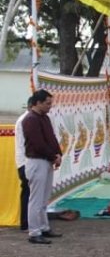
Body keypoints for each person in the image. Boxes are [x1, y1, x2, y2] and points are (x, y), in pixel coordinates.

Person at [22, 89, 62, 244]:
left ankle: (44, 227)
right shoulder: (30, 120)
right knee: (36, 199)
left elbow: (51, 138)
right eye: (47, 103)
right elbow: (38, 143)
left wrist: (58, 154)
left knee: (44, 199)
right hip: (37, 161)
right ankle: (34, 231)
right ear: (37, 103)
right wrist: (53, 156)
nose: (49, 106)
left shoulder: (43, 118)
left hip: (46, 160)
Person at [14, 97, 33, 231]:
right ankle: (26, 222)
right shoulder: (27, 120)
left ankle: (28, 221)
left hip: (27, 161)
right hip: (26, 162)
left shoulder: (31, 119)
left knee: (30, 192)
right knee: (28, 192)